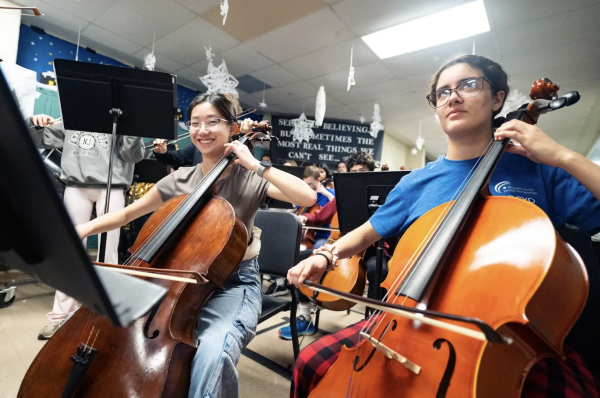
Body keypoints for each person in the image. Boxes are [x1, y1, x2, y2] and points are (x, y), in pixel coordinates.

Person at [287, 54, 600, 398]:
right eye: (442, 92)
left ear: (497, 98)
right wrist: (327, 256)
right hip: (411, 320)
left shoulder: (538, 168)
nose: (452, 97)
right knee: (311, 363)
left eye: (468, 85)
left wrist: (562, 156)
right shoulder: (415, 182)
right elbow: (366, 233)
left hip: (505, 337)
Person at [74, 93, 316, 398]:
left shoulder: (250, 179)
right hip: (177, 279)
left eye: (213, 122)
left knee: (215, 350)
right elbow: (125, 214)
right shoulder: (180, 180)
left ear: (232, 128)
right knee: (119, 331)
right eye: (196, 123)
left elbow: (307, 198)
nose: (203, 130)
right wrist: (83, 229)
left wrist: (256, 165)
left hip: (234, 284)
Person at [27, 114, 144, 340]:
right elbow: (40, 139)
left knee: (108, 252)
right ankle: (61, 317)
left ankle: (108, 316)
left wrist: (133, 127)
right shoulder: (75, 115)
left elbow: (133, 155)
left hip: (112, 186)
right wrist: (35, 121)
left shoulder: (122, 117)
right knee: (69, 252)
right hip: (75, 185)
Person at [278, 151, 393, 340]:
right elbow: (319, 216)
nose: (357, 176)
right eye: (353, 172)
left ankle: (375, 322)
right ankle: (305, 317)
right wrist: (303, 217)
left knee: (377, 268)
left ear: (371, 172)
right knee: (301, 259)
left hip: (373, 248)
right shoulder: (344, 195)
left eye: (362, 171)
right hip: (339, 247)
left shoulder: (382, 196)